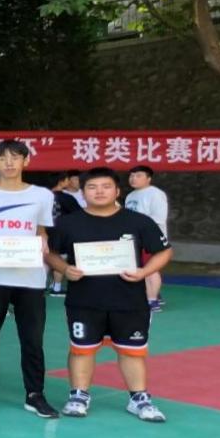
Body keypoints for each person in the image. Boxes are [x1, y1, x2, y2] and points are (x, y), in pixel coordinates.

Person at [45, 167, 173, 422]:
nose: (99, 192)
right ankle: (79, 395)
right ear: (83, 193)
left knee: (132, 351)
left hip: (129, 300)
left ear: (117, 191)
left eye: (106, 186)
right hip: (84, 301)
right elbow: (50, 253)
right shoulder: (69, 223)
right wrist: (65, 269)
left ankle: (139, 398)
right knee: (82, 349)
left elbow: (164, 251)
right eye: (92, 187)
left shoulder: (138, 221)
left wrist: (144, 271)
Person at [0, 140, 58, 418]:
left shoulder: (42, 195)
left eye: (15, 157)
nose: (9, 163)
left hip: (30, 278)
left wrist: (44, 242)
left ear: (26, 161)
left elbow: (41, 231)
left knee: (32, 340)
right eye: (2, 158)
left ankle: (35, 394)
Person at [124, 165, 169, 312]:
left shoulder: (155, 194)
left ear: (148, 178)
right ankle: (153, 295)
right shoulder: (131, 196)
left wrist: (137, 224)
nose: (133, 178)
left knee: (150, 268)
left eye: (138, 175)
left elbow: (159, 218)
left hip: (151, 237)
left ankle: (152, 301)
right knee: (141, 267)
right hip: (135, 238)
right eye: (131, 175)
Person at [48, 171, 83, 297]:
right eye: (67, 180)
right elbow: (79, 214)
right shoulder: (66, 198)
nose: (68, 182)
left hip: (43, 231)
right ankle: (56, 288)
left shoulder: (42, 196)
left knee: (45, 258)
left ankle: (42, 286)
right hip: (60, 232)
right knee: (60, 258)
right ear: (61, 181)